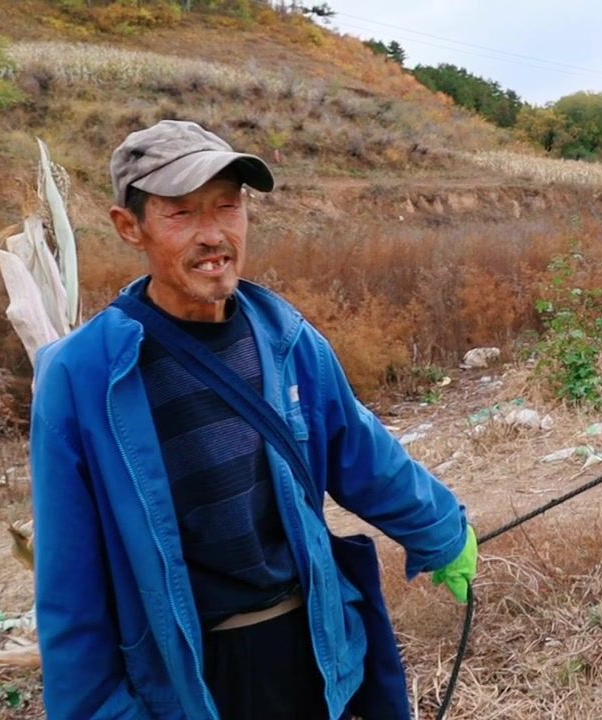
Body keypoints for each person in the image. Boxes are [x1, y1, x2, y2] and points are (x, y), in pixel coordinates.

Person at [29, 119, 478, 719]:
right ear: (128, 227)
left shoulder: (285, 338)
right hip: (191, 677)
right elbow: (69, 591)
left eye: (227, 207)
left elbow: (363, 453)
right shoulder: (83, 377)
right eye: (181, 214)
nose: (213, 234)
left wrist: (442, 531)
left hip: (312, 646)